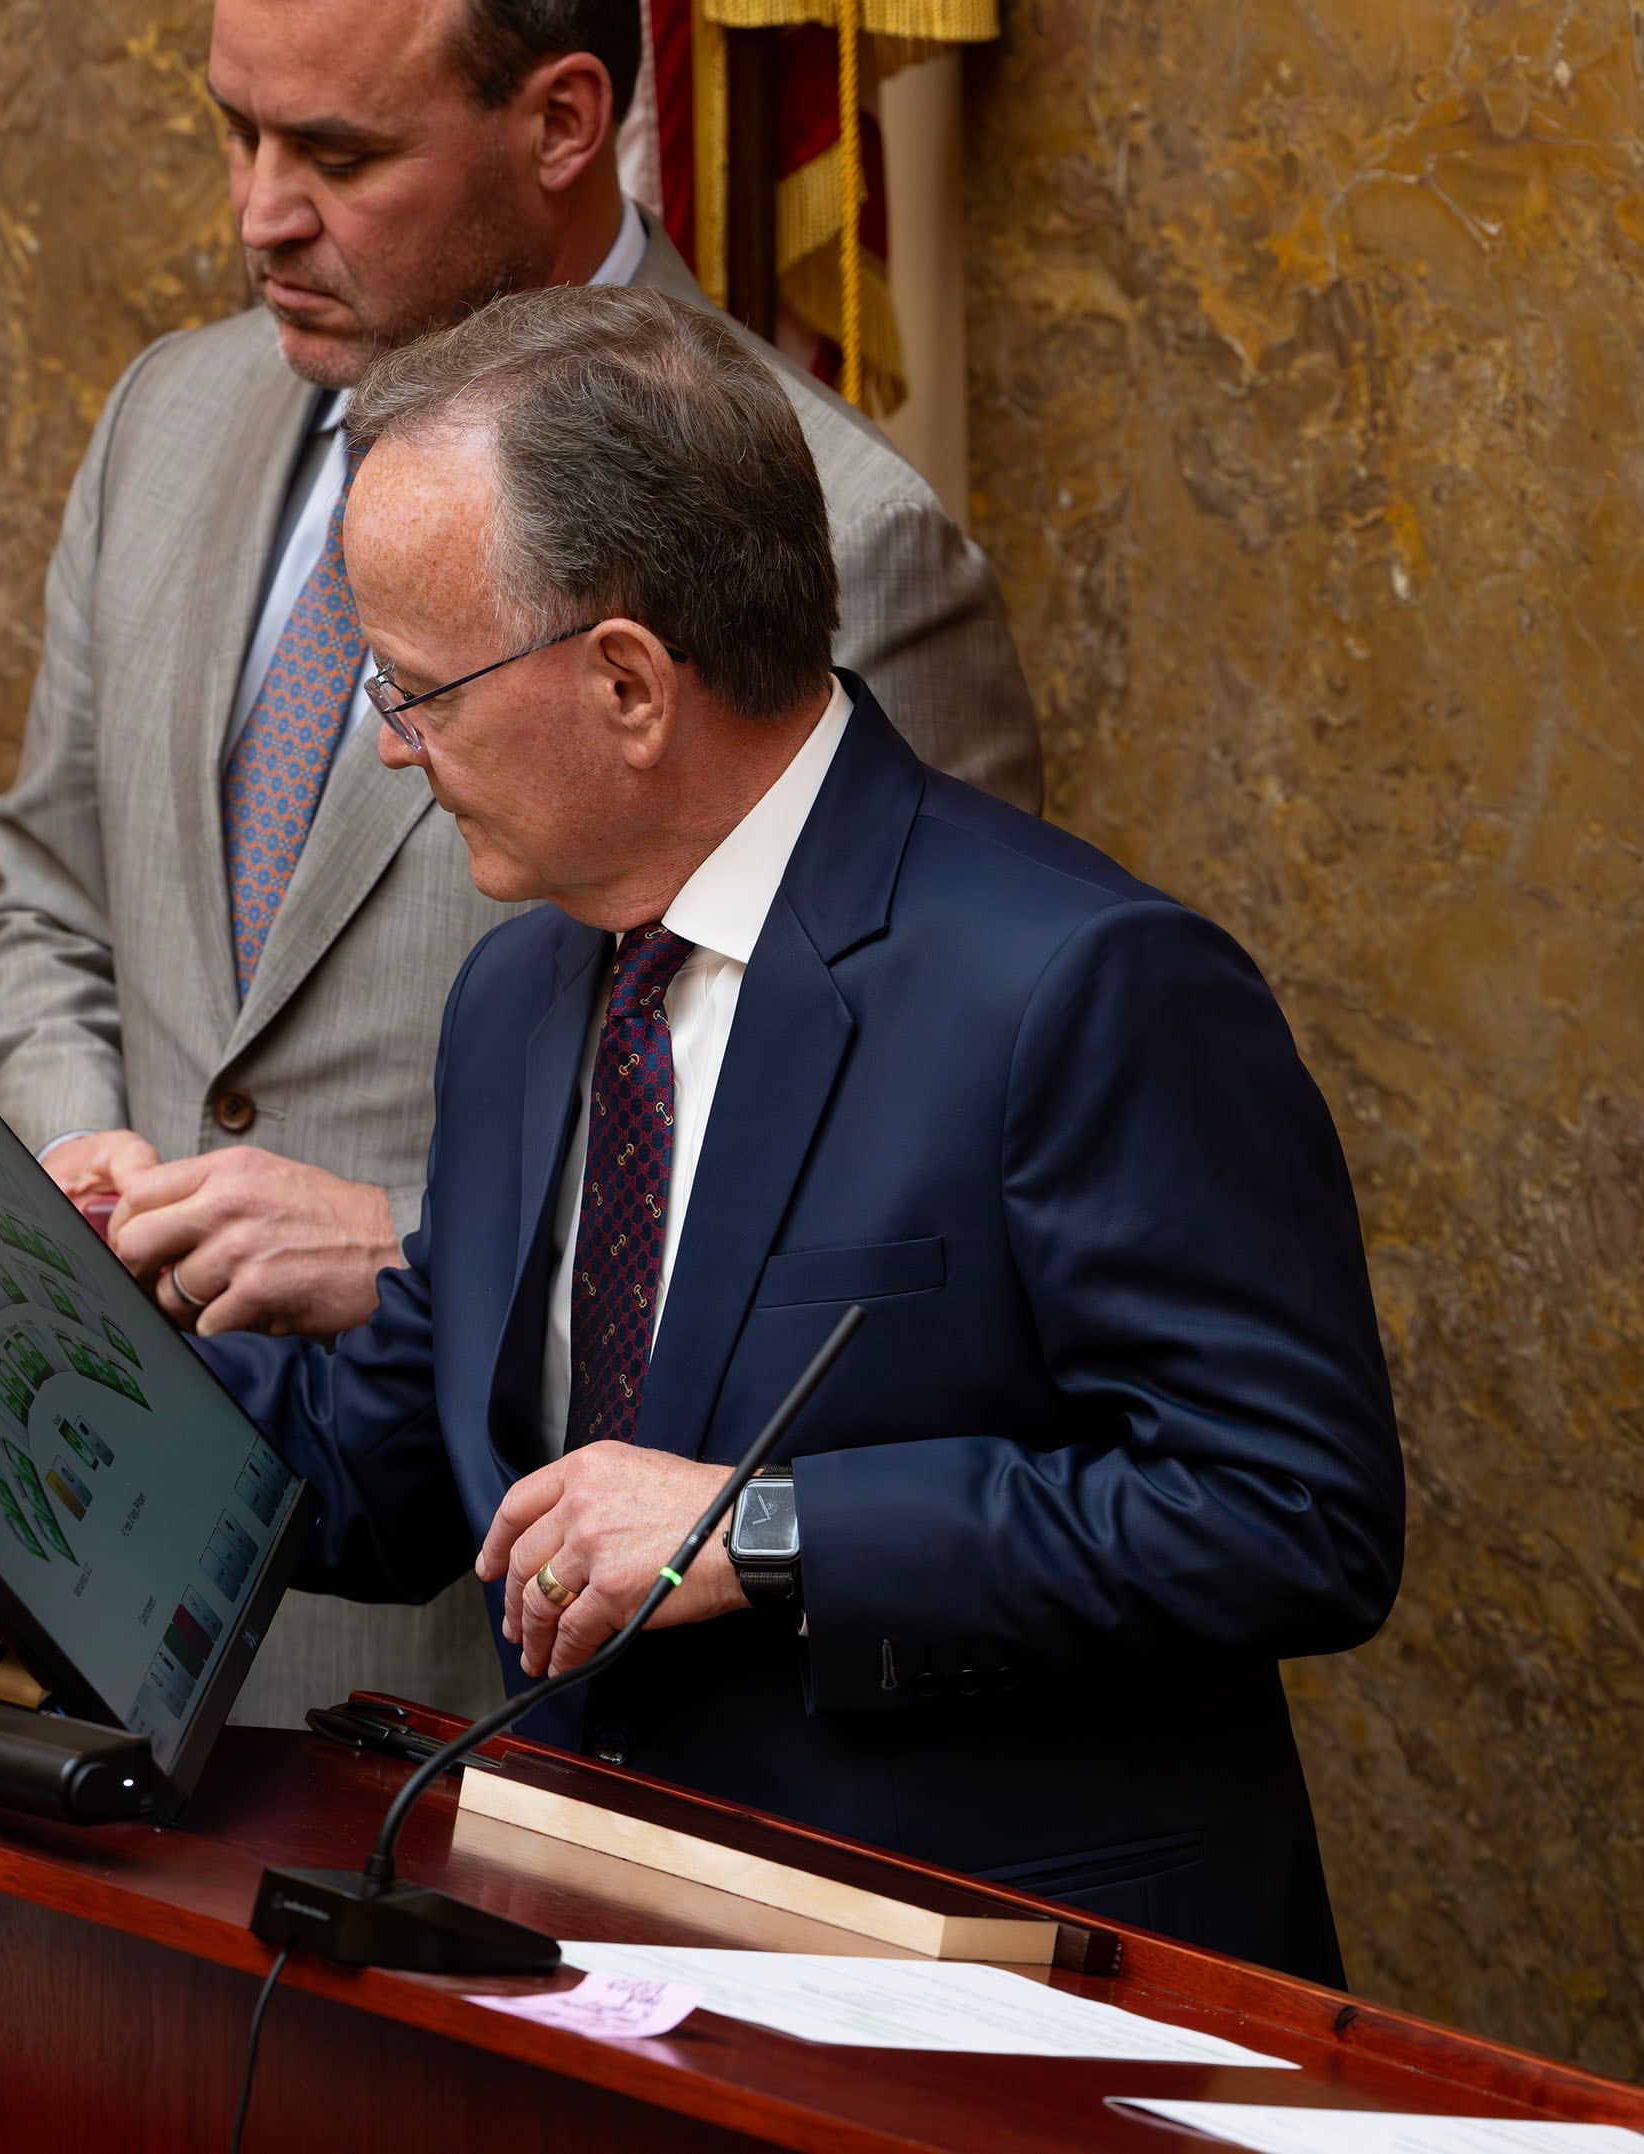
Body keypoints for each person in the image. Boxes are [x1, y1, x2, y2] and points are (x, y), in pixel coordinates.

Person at [0, 0, 1043, 1725]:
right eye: (236, 131)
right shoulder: (170, 416)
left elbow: (905, 1223)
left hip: (514, 1676)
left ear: (563, 121)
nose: (260, 209)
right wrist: (46, 1200)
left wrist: (410, 1252)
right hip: (125, 1595)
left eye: (336, 154)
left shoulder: (852, 543)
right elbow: (45, 897)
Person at [193, 280, 1405, 1980]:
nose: (394, 752)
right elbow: (397, 1453)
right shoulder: (519, 999)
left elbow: (1291, 1512)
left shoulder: (1081, 985)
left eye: (418, 692)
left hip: (999, 2006)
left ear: (626, 681)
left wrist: (766, 1531)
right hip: (601, 1979)